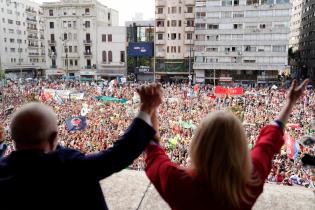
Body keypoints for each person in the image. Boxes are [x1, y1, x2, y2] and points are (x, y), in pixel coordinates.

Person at [145, 80, 309, 210]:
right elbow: (269, 141)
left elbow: (152, 149)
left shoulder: (177, 182)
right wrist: (290, 103)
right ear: (240, 145)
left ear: (198, 144)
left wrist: (149, 108)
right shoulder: (250, 180)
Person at [0, 83, 162, 210]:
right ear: (53, 138)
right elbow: (118, 155)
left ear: (12, 138)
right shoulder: (68, 167)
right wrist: (146, 108)